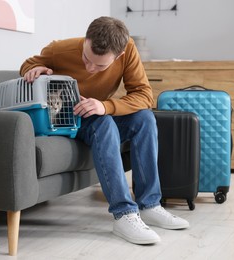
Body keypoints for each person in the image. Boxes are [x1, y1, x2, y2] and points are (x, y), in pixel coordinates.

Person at [20, 16, 189, 245]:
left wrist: (105, 106)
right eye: (86, 58)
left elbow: (144, 95)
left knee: (145, 119)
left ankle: (149, 205)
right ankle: (124, 214)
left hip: (99, 112)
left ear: (118, 55)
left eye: (99, 65)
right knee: (104, 122)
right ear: (86, 40)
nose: (90, 68)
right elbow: (27, 65)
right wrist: (34, 68)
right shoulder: (59, 49)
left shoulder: (127, 50)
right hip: (68, 119)